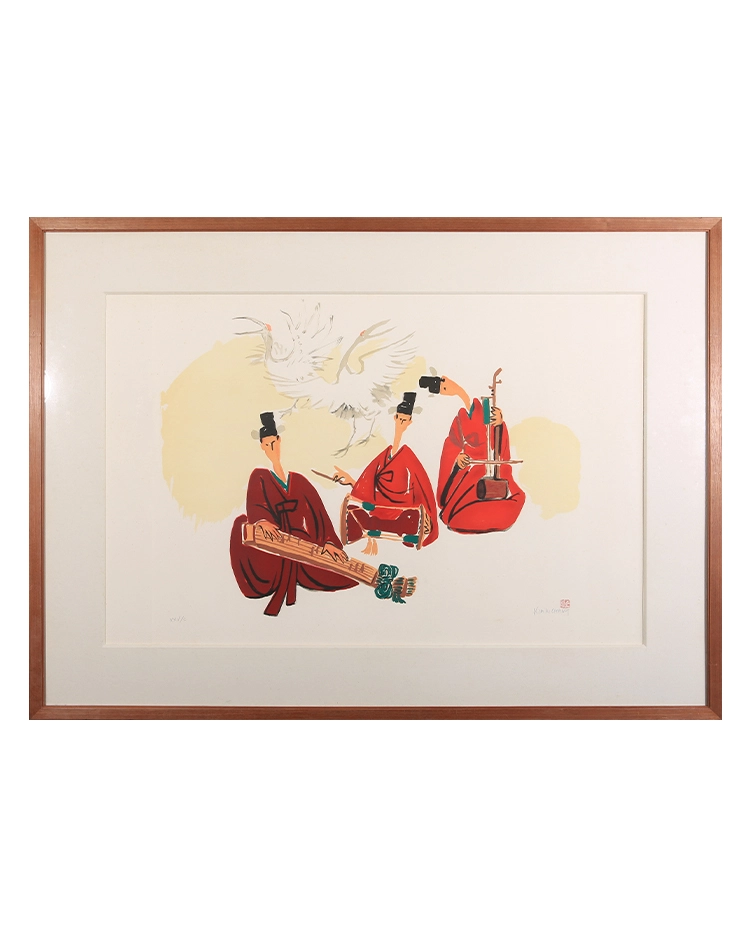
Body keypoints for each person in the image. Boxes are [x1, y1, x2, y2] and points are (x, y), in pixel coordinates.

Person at [230, 412, 358, 616]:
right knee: (241, 523)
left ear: (279, 441)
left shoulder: (300, 481)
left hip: (301, 542)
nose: (272, 448)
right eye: (267, 444)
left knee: (345, 574)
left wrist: (329, 542)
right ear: (262, 446)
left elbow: (318, 515)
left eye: (274, 443)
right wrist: (262, 521)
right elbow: (256, 505)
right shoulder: (259, 476)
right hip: (275, 542)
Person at [332, 392, 439, 552]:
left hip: (403, 514)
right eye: (399, 418)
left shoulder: (409, 458)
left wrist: (428, 517)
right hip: (378, 512)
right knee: (355, 512)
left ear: (409, 422)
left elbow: (423, 489)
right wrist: (351, 481)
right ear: (395, 417)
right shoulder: (383, 457)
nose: (401, 421)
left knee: (410, 519)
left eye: (405, 419)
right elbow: (367, 487)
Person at [436, 376, 525, 534]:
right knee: (456, 514)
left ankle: (481, 514)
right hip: (469, 476)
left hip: (492, 473)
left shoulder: (486, 410)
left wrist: (499, 425)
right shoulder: (460, 420)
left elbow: (501, 453)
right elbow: (451, 450)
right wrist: (457, 462)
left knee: (517, 499)